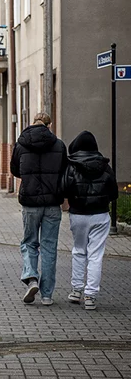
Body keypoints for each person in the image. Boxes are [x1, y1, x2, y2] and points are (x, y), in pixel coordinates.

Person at [10, 112, 67, 306]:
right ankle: (47, 295)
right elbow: (64, 171)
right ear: (49, 126)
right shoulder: (59, 145)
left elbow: (15, 170)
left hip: (30, 203)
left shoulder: (21, 144)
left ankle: (31, 277)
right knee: (49, 247)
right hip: (52, 204)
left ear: (33, 122)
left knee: (29, 243)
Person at [61, 131, 118, 311]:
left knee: (79, 251)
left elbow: (64, 189)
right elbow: (114, 193)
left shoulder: (72, 166)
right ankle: (90, 296)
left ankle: (76, 290)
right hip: (100, 215)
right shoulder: (105, 166)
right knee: (95, 255)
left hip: (78, 214)